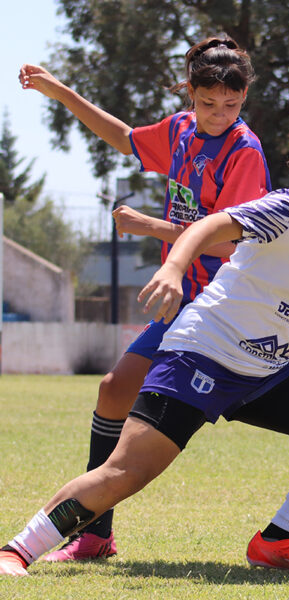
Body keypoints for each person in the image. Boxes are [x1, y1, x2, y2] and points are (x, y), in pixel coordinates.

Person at [0, 99, 289, 576]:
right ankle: (17, 549)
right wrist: (174, 266)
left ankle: (278, 542)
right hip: (203, 354)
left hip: (268, 370)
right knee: (127, 472)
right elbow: (211, 225)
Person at [17, 35, 271, 561]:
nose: (220, 113)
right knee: (113, 391)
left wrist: (149, 226)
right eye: (208, 103)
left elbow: (234, 238)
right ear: (190, 92)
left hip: (229, 304)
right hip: (184, 302)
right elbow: (126, 138)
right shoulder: (179, 130)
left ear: (244, 96)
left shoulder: (244, 152)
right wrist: (63, 93)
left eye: (232, 103)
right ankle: (94, 536)